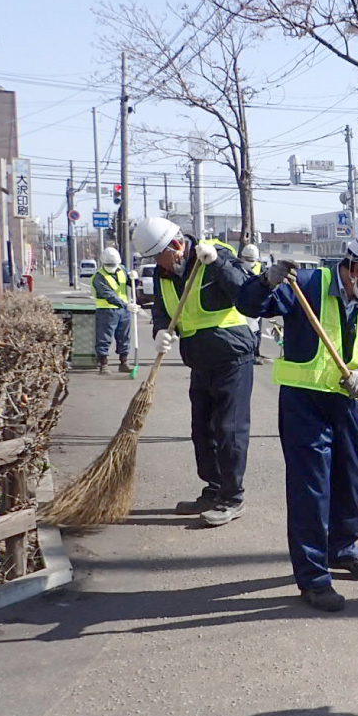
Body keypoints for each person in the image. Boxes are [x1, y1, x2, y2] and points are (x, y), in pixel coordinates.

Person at [237, 229, 358, 612]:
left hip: (345, 401)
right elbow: (248, 305)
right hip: (303, 404)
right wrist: (265, 281)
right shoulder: (306, 284)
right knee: (311, 488)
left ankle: (342, 547)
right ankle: (313, 578)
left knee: (350, 476)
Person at [132, 216, 256, 528]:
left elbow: (245, 291)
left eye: (159, 255)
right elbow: (161, 309)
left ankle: (232, 497)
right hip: (199, 360)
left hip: (232, 356)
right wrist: (160, 330)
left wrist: (215, 264)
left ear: (175, 246)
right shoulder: (164, 274)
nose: (157, 263)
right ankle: (213, 490)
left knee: (229, 430)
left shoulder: (214, 254)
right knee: (202, 431)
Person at [91, 246, 140, 374]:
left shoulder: (122, 269)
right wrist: (126, 305)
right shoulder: (99, 277)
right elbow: (108, 295)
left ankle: (123, 362)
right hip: (106, 310)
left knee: (124, 337)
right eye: (109, 264)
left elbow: (131, 283)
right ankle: (103, 364)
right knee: (104, 338)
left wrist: (135, 278)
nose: (112, 266)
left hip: (123, 311)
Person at [238, 244, 267, 365]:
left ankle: (253, 353)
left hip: (251, 303)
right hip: (249, 303)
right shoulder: (259, 267)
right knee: (252, 330)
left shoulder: (239, 266)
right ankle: (251, 354)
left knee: (253, 330)